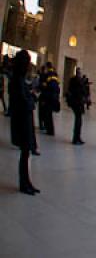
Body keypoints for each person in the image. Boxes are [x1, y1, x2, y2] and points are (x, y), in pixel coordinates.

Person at [9, 51, 40, 195]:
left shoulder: (19, 78)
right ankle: (24, 183)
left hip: (24, 120)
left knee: (26, 153)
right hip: (21, 121)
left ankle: (27, 182)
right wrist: (32, 100)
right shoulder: (17, 80)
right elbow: (21, 101)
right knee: (25, 152)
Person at [66, 68, 86, 144]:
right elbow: (82, 91)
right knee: (78, 121)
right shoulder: (78, 81)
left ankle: (77, 137)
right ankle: (76, 138)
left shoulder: (73, 80)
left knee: (78, 120)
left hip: (76, 102)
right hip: (77, 102)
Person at [38, 64, 60, 136]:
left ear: (47, 68)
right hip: (53, 97)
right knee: (49, 114)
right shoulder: (55, 75)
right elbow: (57, 86)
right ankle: (51, 130)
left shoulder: (47, 75)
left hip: (47, 97)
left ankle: (49, 130)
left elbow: (44, 87)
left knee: (46, 114)